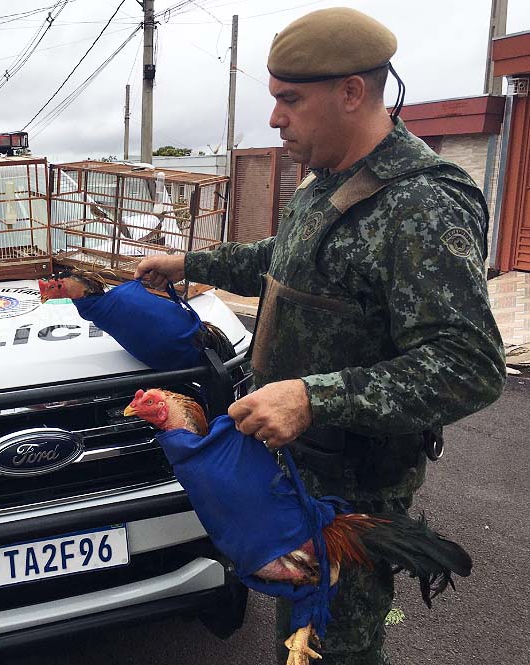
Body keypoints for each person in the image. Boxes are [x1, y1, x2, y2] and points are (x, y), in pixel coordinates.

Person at [134, 7, 506, 664]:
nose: (276, 118)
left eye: (289, 100)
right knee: (298, 634)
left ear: (352, 93)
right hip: (295, 471)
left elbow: (469, 364)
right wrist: (190, 265)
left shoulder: (420, 201)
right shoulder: (330, 178)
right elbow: (288, 255)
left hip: (352, 489)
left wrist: (313, 396)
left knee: (331, 648)